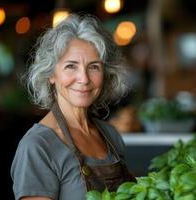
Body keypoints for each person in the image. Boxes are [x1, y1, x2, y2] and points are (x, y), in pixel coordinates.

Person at [11, 13, 136, 200]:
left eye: (94, 67)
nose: (84, 79)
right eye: (71, 66)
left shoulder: (110, 135)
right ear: (51, 75)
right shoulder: (37, 147)